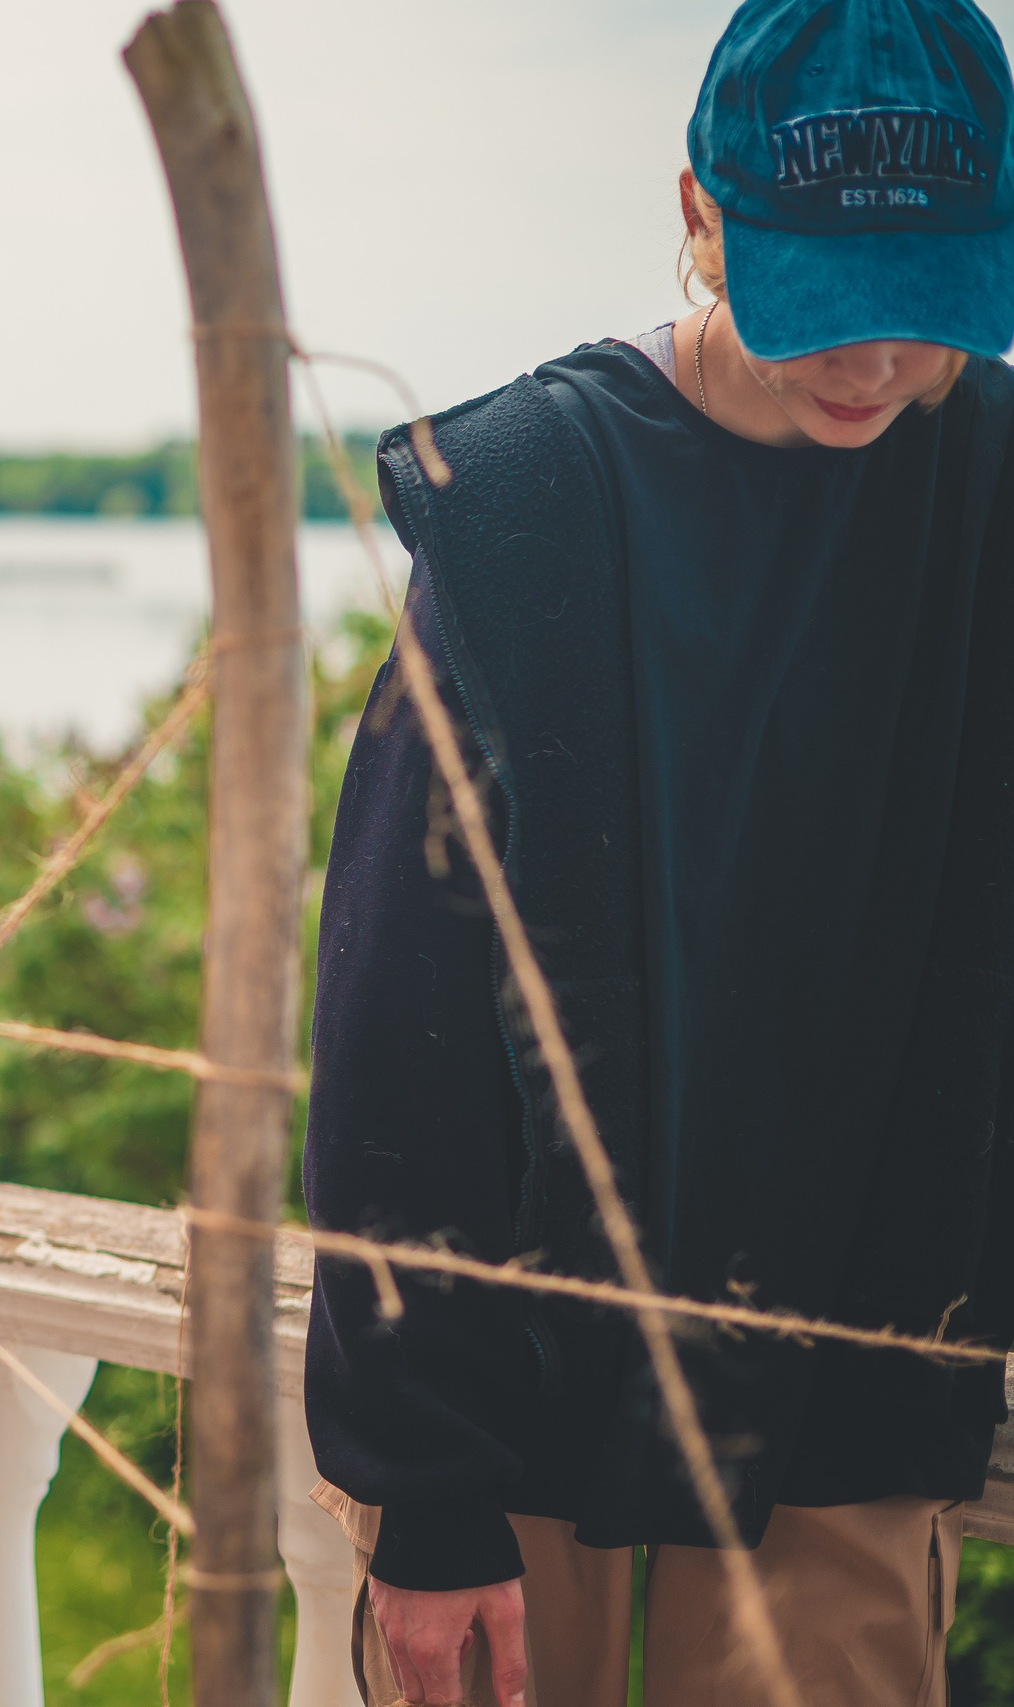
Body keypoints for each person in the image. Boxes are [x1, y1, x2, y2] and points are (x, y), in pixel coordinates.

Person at [303, 2, 1014, 1702]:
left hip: (854, 1392)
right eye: (820, 303)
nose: (872, 366)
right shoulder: (535, 502)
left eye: (924, 312)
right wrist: (425, 1484)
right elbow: (398, 1018)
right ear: (696, 209)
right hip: (522, 1419)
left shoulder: (987, 481)